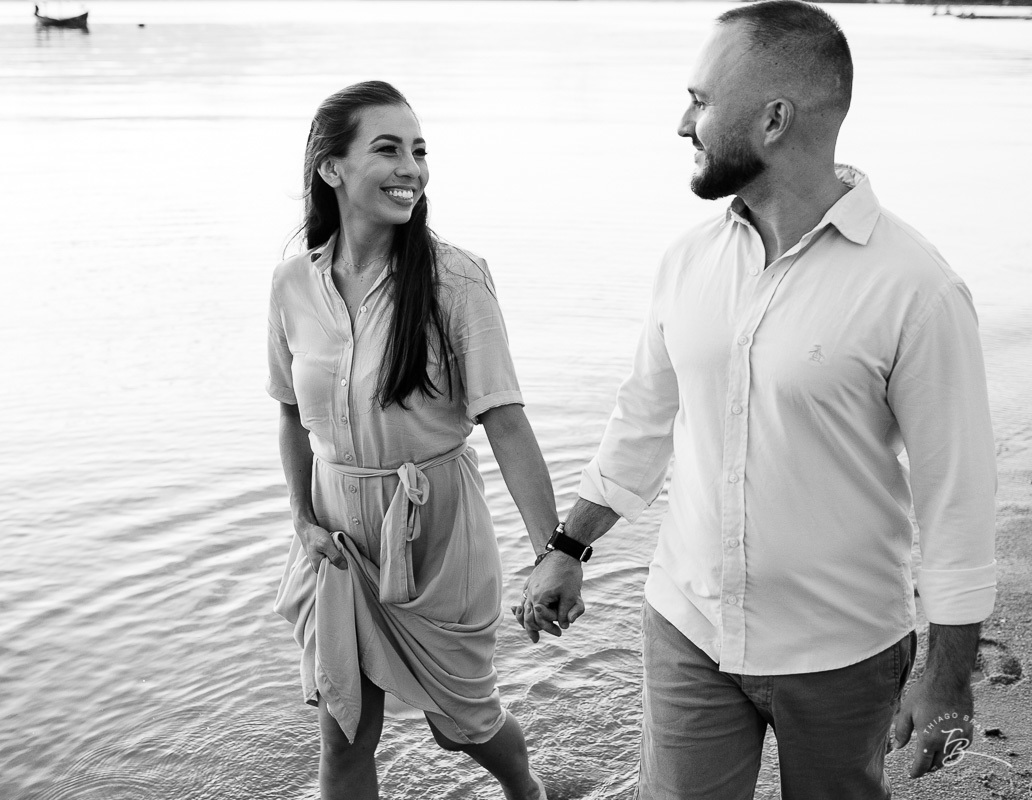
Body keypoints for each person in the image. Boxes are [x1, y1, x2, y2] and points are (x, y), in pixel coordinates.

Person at [517, 2, 996, 798]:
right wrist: (569, 548)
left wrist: (948, 676)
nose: (682, 122)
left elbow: (957, 498)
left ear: (774, 119)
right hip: (687, 628)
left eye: (701, 101)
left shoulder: (917, 288)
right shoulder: (686, 261)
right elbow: (642, 421)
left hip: (843, 651)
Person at [268, 81, 554, 800]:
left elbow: (506, 420)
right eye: (388, 149)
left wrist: (554, 554)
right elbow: (287, 415)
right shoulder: (291, 283)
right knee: (343, 731)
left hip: (438, 529)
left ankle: (530, 792)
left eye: (419, 152)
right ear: (331, 168)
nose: (412, 169)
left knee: (460, 724)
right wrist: (302, 520)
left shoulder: (456, 280)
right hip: (336, 537)